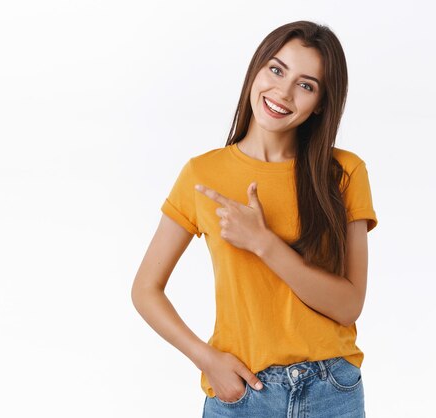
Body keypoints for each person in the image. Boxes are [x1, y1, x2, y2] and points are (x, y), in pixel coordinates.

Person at [130, 20, 377, 417]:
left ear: (322, 104)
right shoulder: (202, 174)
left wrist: (264, 243)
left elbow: (349, 305)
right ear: (256, 69)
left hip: (332, 390)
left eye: (306, 84)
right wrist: (205, 358)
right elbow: (145, 289)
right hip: (243, 393)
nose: (282, 91)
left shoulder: (344, 173)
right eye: (276, 70)